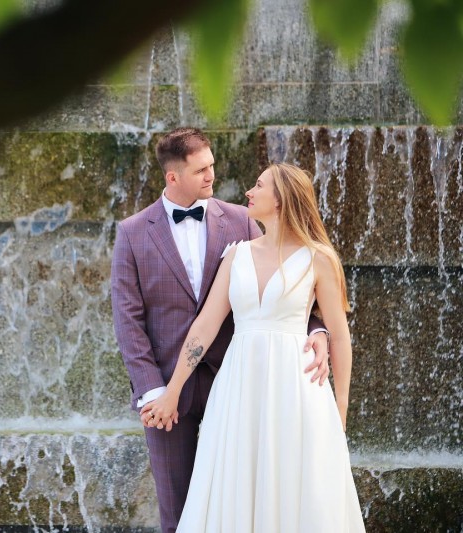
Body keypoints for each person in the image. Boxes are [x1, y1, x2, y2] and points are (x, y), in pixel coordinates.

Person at [110, 128, 330, 533]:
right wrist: (155, 392)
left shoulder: (242, 220)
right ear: (173, 177)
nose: (211, 175)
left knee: (240, 505)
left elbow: (286, 284)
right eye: (200, 170)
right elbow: (128, 321)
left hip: (237, 387)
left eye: (211, 165)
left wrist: (317, 331)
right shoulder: (133, 232)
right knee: (178, 513)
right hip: (167, 392)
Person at [142, 163, 365, 532]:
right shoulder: (237, 256)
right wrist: (173, 390)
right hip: (238, 389)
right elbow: (205, 327)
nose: (249, 191)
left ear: (280, 200)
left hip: (297, 390)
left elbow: (340, 336)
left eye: (259, 185)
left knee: (297, 485)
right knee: (236, 483)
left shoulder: (319, 258)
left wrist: (339, 411)